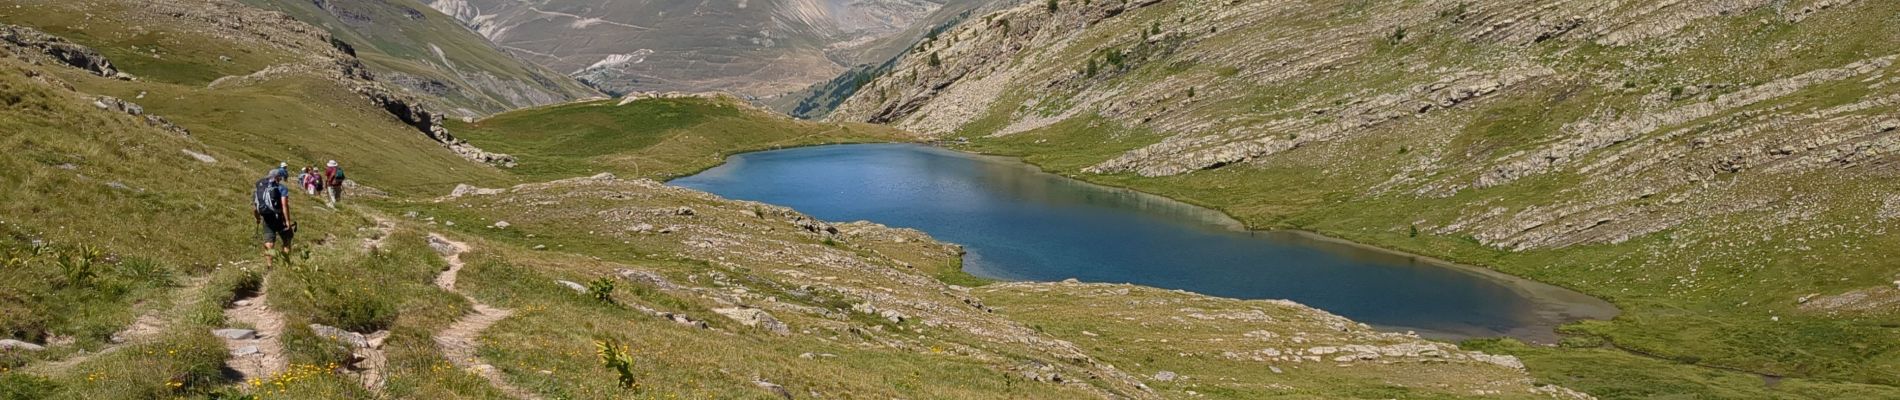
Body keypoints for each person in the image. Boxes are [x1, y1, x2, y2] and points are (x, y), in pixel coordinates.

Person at [252, 168, 295, 267]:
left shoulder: (259, 189)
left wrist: (258, 218)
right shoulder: (281, 188)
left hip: (267, 218)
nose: (280, 179)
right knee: (287, 239)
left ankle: (269, 266)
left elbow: (255, 208)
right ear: (277, 177)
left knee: (269, 242)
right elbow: (284, 205)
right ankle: (286, 263)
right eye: (279, 177)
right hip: (280, 218)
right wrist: (287, 221)